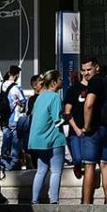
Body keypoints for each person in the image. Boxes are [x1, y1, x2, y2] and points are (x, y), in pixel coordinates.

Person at [81, 57, 107, 204]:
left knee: (89, 166)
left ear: (97, 67)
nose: (86, 73)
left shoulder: (94, 82)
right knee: (105, 166)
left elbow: (89, 104)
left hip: (94, 129)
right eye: (83, 70)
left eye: (89, 69)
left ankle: (86, 203)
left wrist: (87, 126)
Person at [29, 70, 67, 204]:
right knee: (56, 171)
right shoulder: (55, 97)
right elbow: (57, 120)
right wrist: (67, 117)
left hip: (38, 140)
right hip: (54, 138)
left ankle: (34, 200)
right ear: (54, 82)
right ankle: (54, 201)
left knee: (41, 170)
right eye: (60, 78)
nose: (62, 80)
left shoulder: (40, 96)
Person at [0, 65, 27, 170]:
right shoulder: (16, 87)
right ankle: (13, 164)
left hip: (4, 118)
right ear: (16, 75)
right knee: (15, 144)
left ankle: (3, 162)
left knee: (5, 141)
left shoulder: (2, 85)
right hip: (14, 119)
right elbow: (23, 100)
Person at [64, 69, 87, 182]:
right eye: (85, 70)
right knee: (77, 158)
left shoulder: (95, 88)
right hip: (75, 130)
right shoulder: (73, 90)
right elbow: (67, 112)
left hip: (90, 131)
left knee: (88, 160)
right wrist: (76, 129)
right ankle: (77, 167)